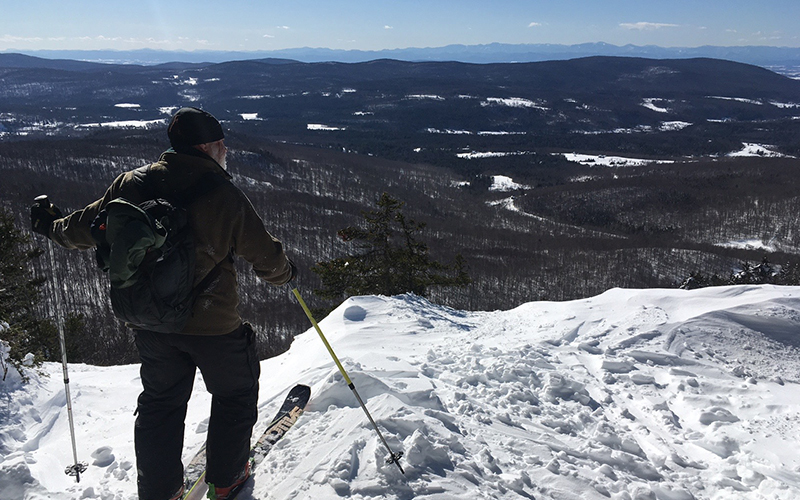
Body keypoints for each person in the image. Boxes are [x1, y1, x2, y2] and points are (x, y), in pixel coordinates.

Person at [30, 107, 295, 500]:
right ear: (206, 147)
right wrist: (287, 273)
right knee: (235, 394)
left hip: (151, 322)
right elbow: (265, 258)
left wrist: (50, 225)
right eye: (221, 143)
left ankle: (159, 492)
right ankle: (228, 480)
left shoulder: (131, 184)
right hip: (213, 325)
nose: (225, 150)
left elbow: (85, 228)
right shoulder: (224, 194)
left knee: (160, 404)